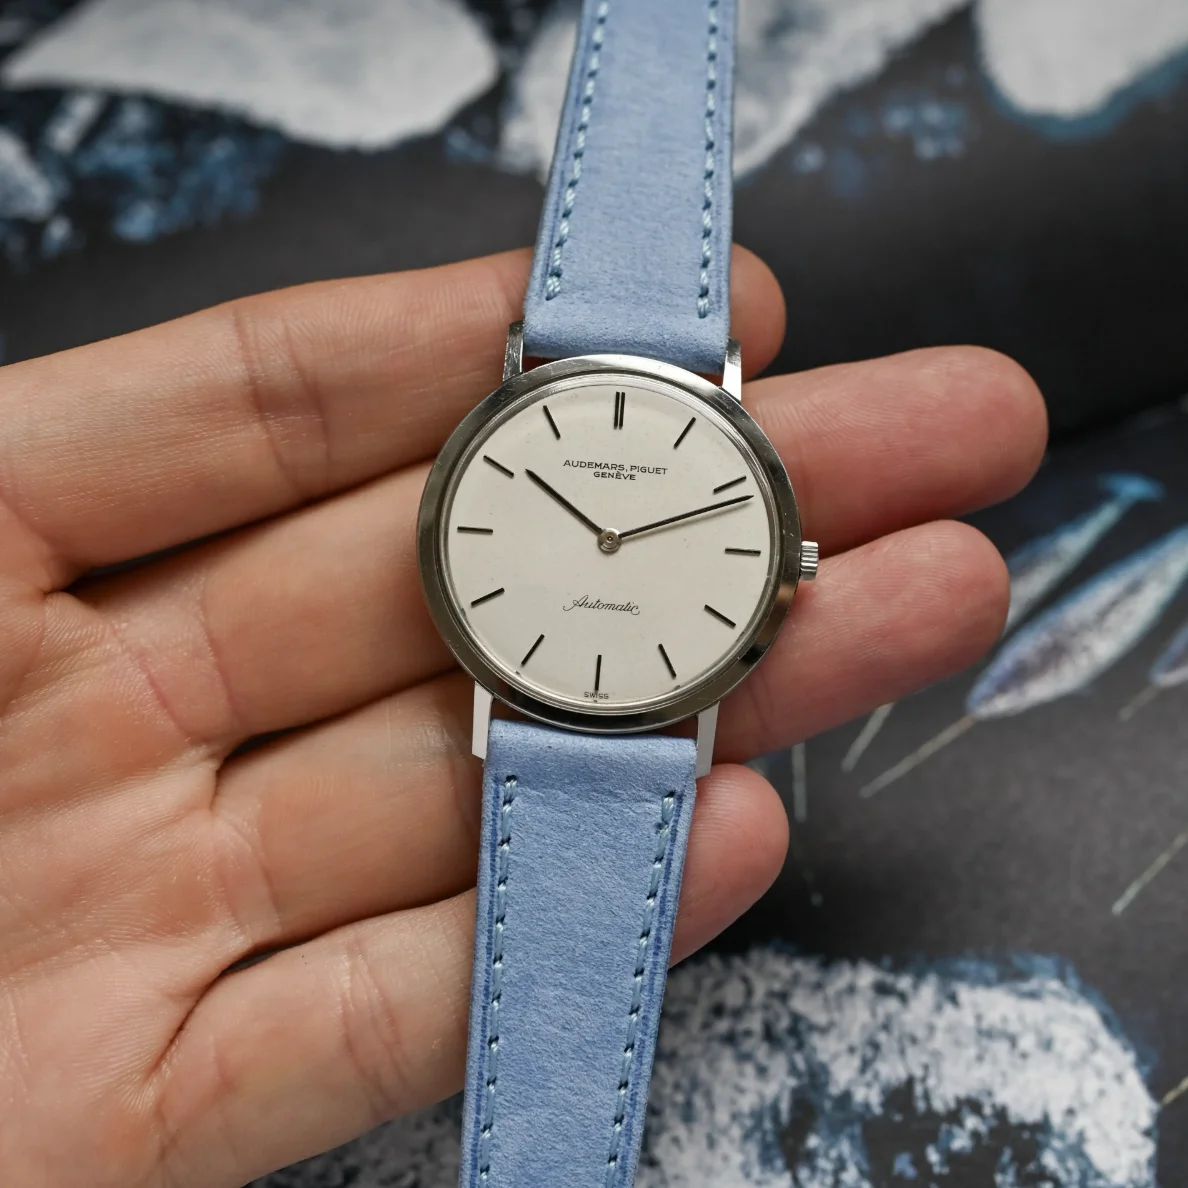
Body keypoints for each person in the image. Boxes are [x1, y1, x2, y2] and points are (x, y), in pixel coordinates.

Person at [0, 246, 1046, 1186]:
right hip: (533, 691)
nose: (609, 544)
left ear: (790, 564)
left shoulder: (634, 435)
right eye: (598, 530)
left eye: (623, 538)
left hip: (635, 704)